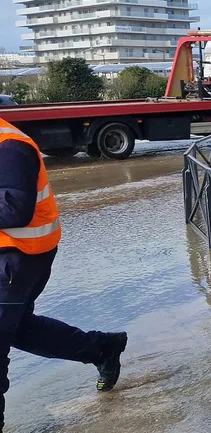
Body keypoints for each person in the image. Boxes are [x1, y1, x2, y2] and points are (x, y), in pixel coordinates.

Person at [0, 116, 128, 429]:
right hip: (15, 254)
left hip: (17, 257)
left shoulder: (10, 145)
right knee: (17, 329)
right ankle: (101, 348)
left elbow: (15, 208)